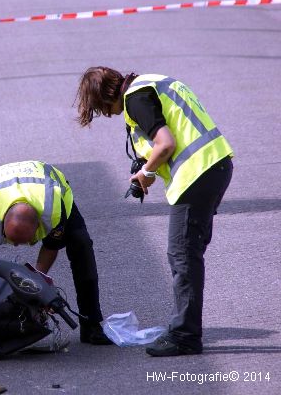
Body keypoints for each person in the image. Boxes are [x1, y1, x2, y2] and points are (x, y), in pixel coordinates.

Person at [74, 67, 233, 356]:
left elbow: (167, 143)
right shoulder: (155, 83)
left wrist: (147, 171)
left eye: (101, 108)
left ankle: (185, 336)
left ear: (107, 94)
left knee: (182, 255)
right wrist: (148, 163)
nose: (107, 114)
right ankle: (185, 329)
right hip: (216, 165)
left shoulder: (135, 97)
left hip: (196, 174)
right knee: (187, 254)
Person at [0, 160, 112, 345]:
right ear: (2, 225)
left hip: (50, 185)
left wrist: (36, 289)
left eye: (22, 242)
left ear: (40, 227)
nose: (16, 247)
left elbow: (50, 248)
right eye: (11, 240)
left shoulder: (54, 212)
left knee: (81, 245)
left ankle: (91, 325)